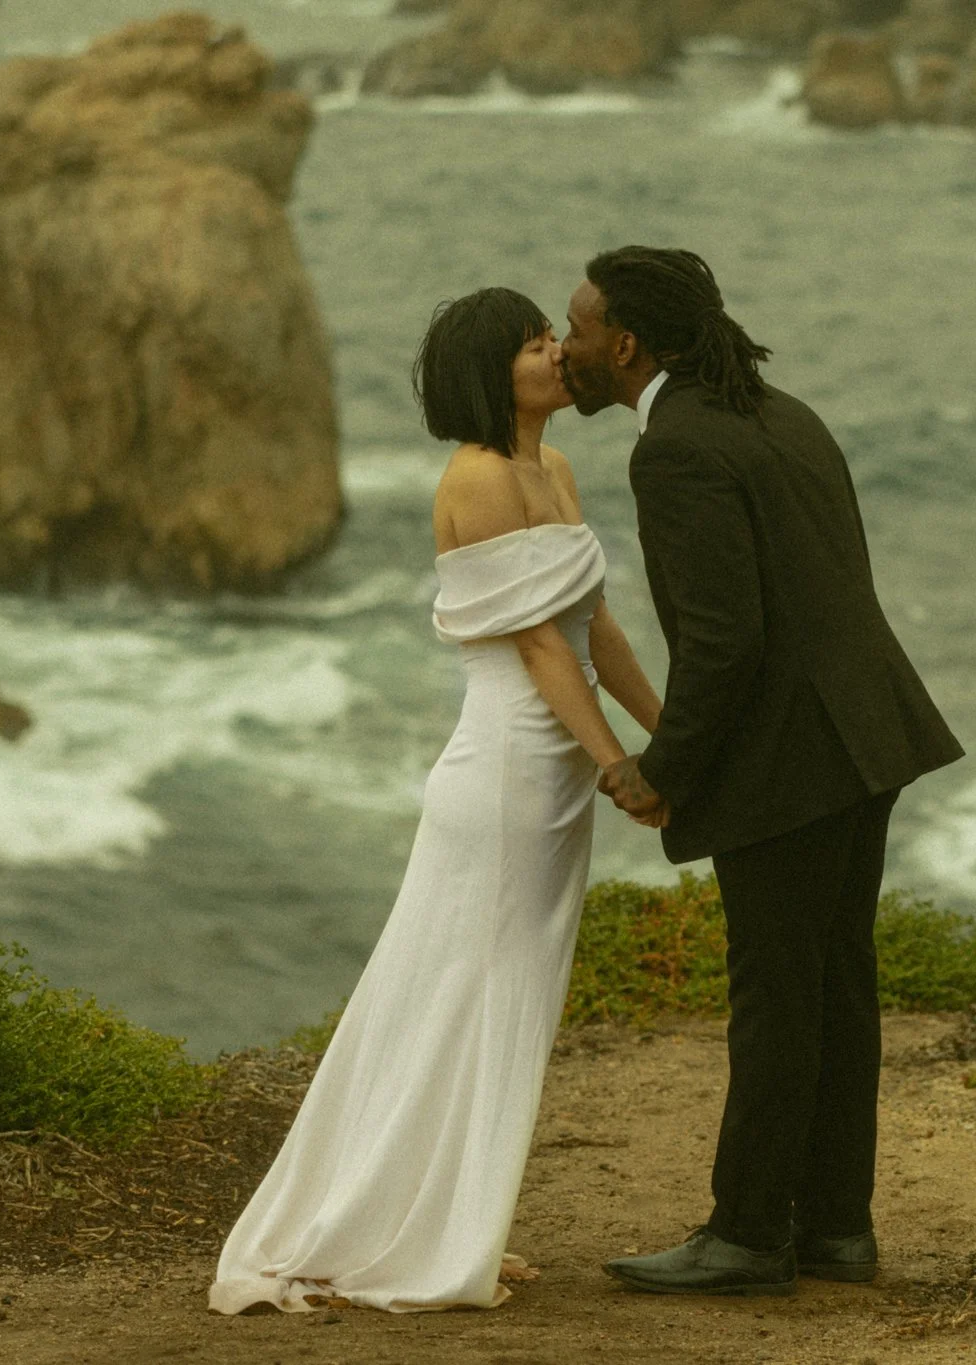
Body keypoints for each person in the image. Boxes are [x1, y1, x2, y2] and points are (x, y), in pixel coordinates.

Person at [209, 287, 664, 1314]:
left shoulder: (554, 468)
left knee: (508, 998)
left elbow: (595, 630)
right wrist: (614, 762)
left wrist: (664, 735)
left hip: (552, 767)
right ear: (486, 369)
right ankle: (423, 1235)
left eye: (553, 336)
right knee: (471, 997)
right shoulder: (478, 479)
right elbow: (538, 645)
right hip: (507, 767)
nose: (555, 353)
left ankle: (455, 1224)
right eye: (531, 344)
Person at [560, 246, 965, 1296]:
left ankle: (745, 1232)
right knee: (834, 987)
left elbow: (724, 639)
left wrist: (663, 768)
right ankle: (833, 1228)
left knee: (777, 997)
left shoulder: (675, 452)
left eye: (575, 330)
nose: (564, 349)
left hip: (788, 760)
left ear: (626, 343)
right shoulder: (785, 415)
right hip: (862, 736)